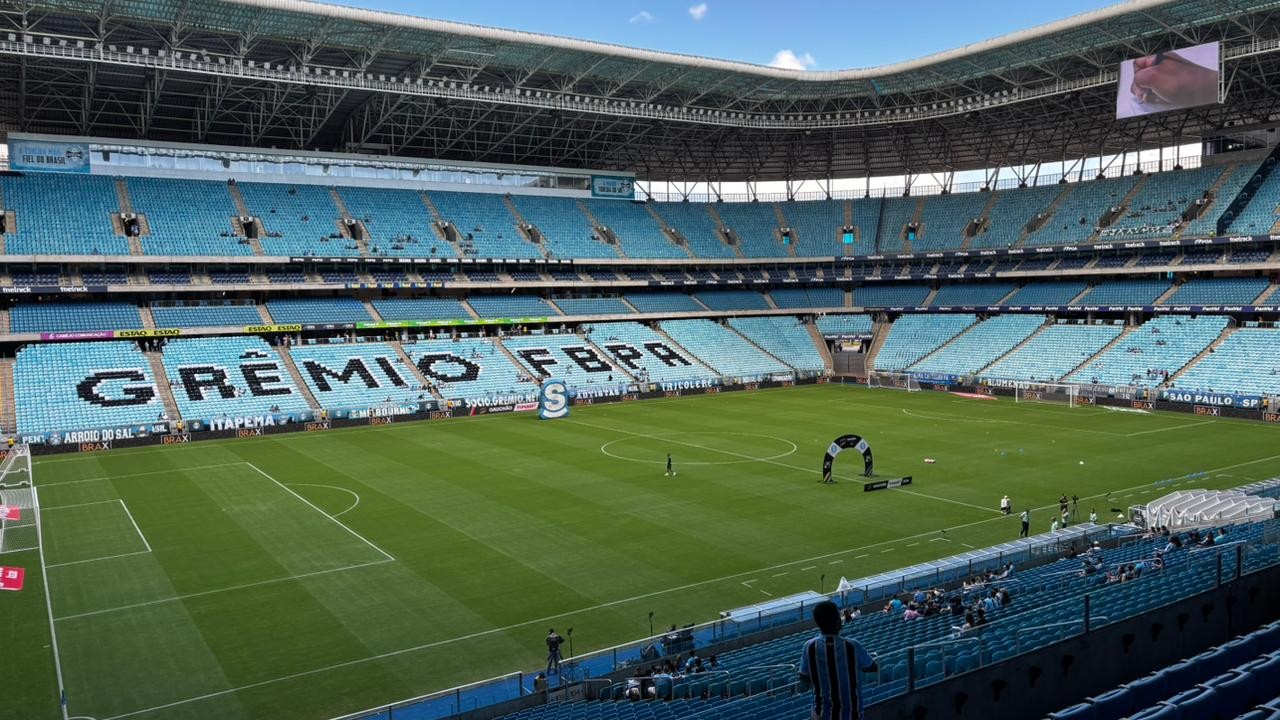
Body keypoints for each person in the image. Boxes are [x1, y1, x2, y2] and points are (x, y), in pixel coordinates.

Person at [798, 600, 878, 720]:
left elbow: (803, 677)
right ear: (836, 620)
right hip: (852, 714)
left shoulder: (808, 646)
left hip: (821, 714)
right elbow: (872, 667)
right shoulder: (853, 645)